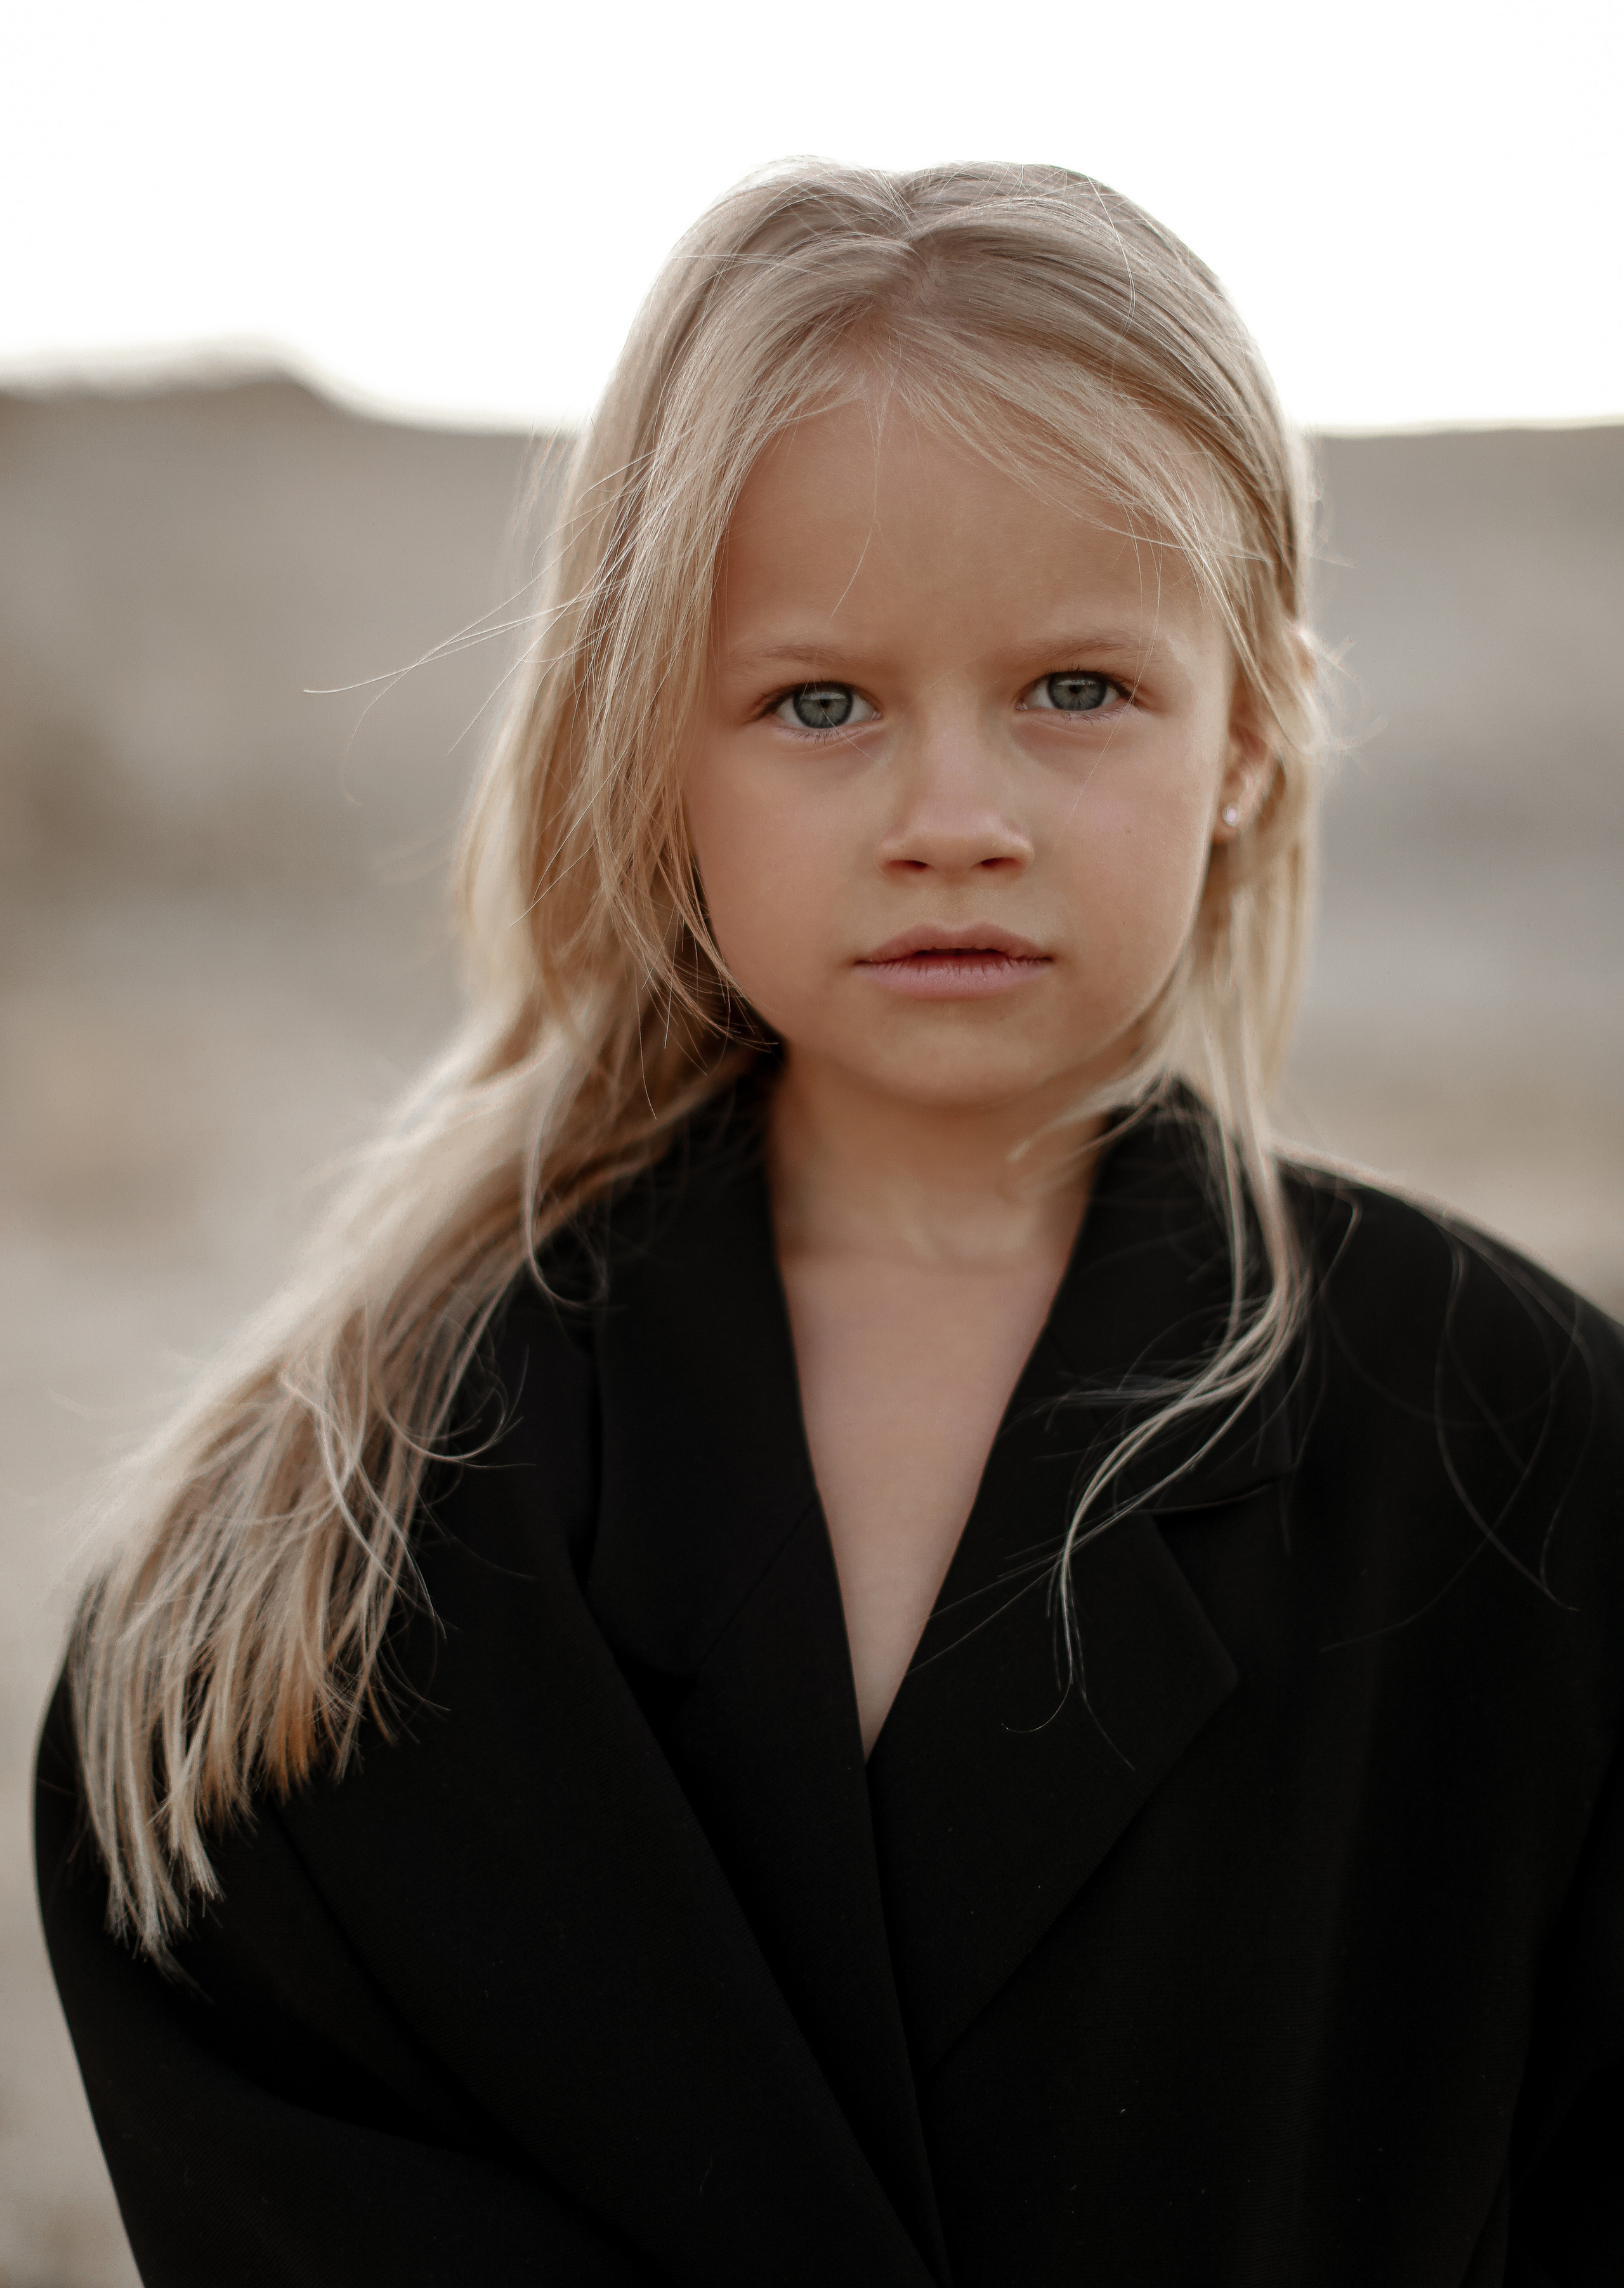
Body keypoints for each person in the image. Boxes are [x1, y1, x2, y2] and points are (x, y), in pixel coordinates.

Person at [35, 164, 1624, 2287]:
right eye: (818, 705)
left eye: (1077, 689)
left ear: (1248, 728)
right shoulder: (330, 1532)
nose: (953, 820)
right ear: (648, 755)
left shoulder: (1517, 1448)